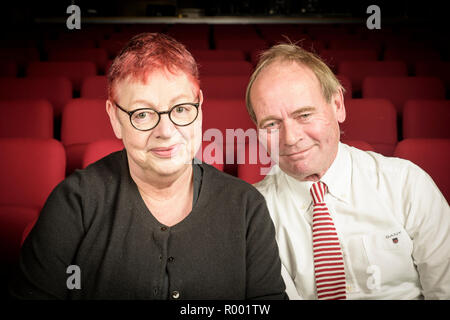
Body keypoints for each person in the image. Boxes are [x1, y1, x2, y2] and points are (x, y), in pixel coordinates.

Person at [9, 33, 287, 300]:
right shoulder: (74, 202)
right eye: (143, 114)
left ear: (199, 108)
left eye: (180, 109)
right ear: (115, 118)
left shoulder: (247, 206)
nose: (166, 131)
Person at [245, 42, 450, 300]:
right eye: (272, 123)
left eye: (305, 115)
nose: (291, 138)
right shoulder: (251, 212)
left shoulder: (406, 183)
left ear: (338, 105)